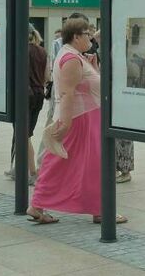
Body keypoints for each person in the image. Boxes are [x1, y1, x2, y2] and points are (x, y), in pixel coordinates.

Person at [29, 17, 124, 225]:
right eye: (87, 33)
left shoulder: (73, 56)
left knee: (62, 162)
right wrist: (66, 123)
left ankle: (39, 205)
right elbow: (67, 93)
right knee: (91, 163)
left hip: (81, 117)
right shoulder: (71, 58)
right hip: (79, 119)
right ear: (76, 37)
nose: (90, 37)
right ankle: (100, 210)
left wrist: (91, 67)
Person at [7, 28, 48, 183]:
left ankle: (32, 172)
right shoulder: (42, 51)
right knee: (26, 132)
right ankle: (19, 168)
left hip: (25, 94)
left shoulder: (21, 50)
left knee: (23, 134)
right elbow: (47, 76)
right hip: (39, 94)